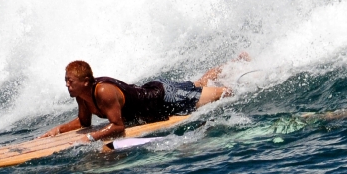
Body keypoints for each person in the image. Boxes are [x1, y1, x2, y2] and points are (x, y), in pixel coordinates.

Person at [41, 59, 238, 141]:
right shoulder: (82, 96)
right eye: (66, 80)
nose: (67, 85)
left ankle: (240, 78)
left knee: (222, 93)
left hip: (163, 98)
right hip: (153, 93)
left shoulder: (103, 92)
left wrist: (91, 138)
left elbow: (118, 126)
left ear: (85, 82)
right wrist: (58, 130)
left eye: (70, 81)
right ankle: (228, 66)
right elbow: (84, 122)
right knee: (198, 84)